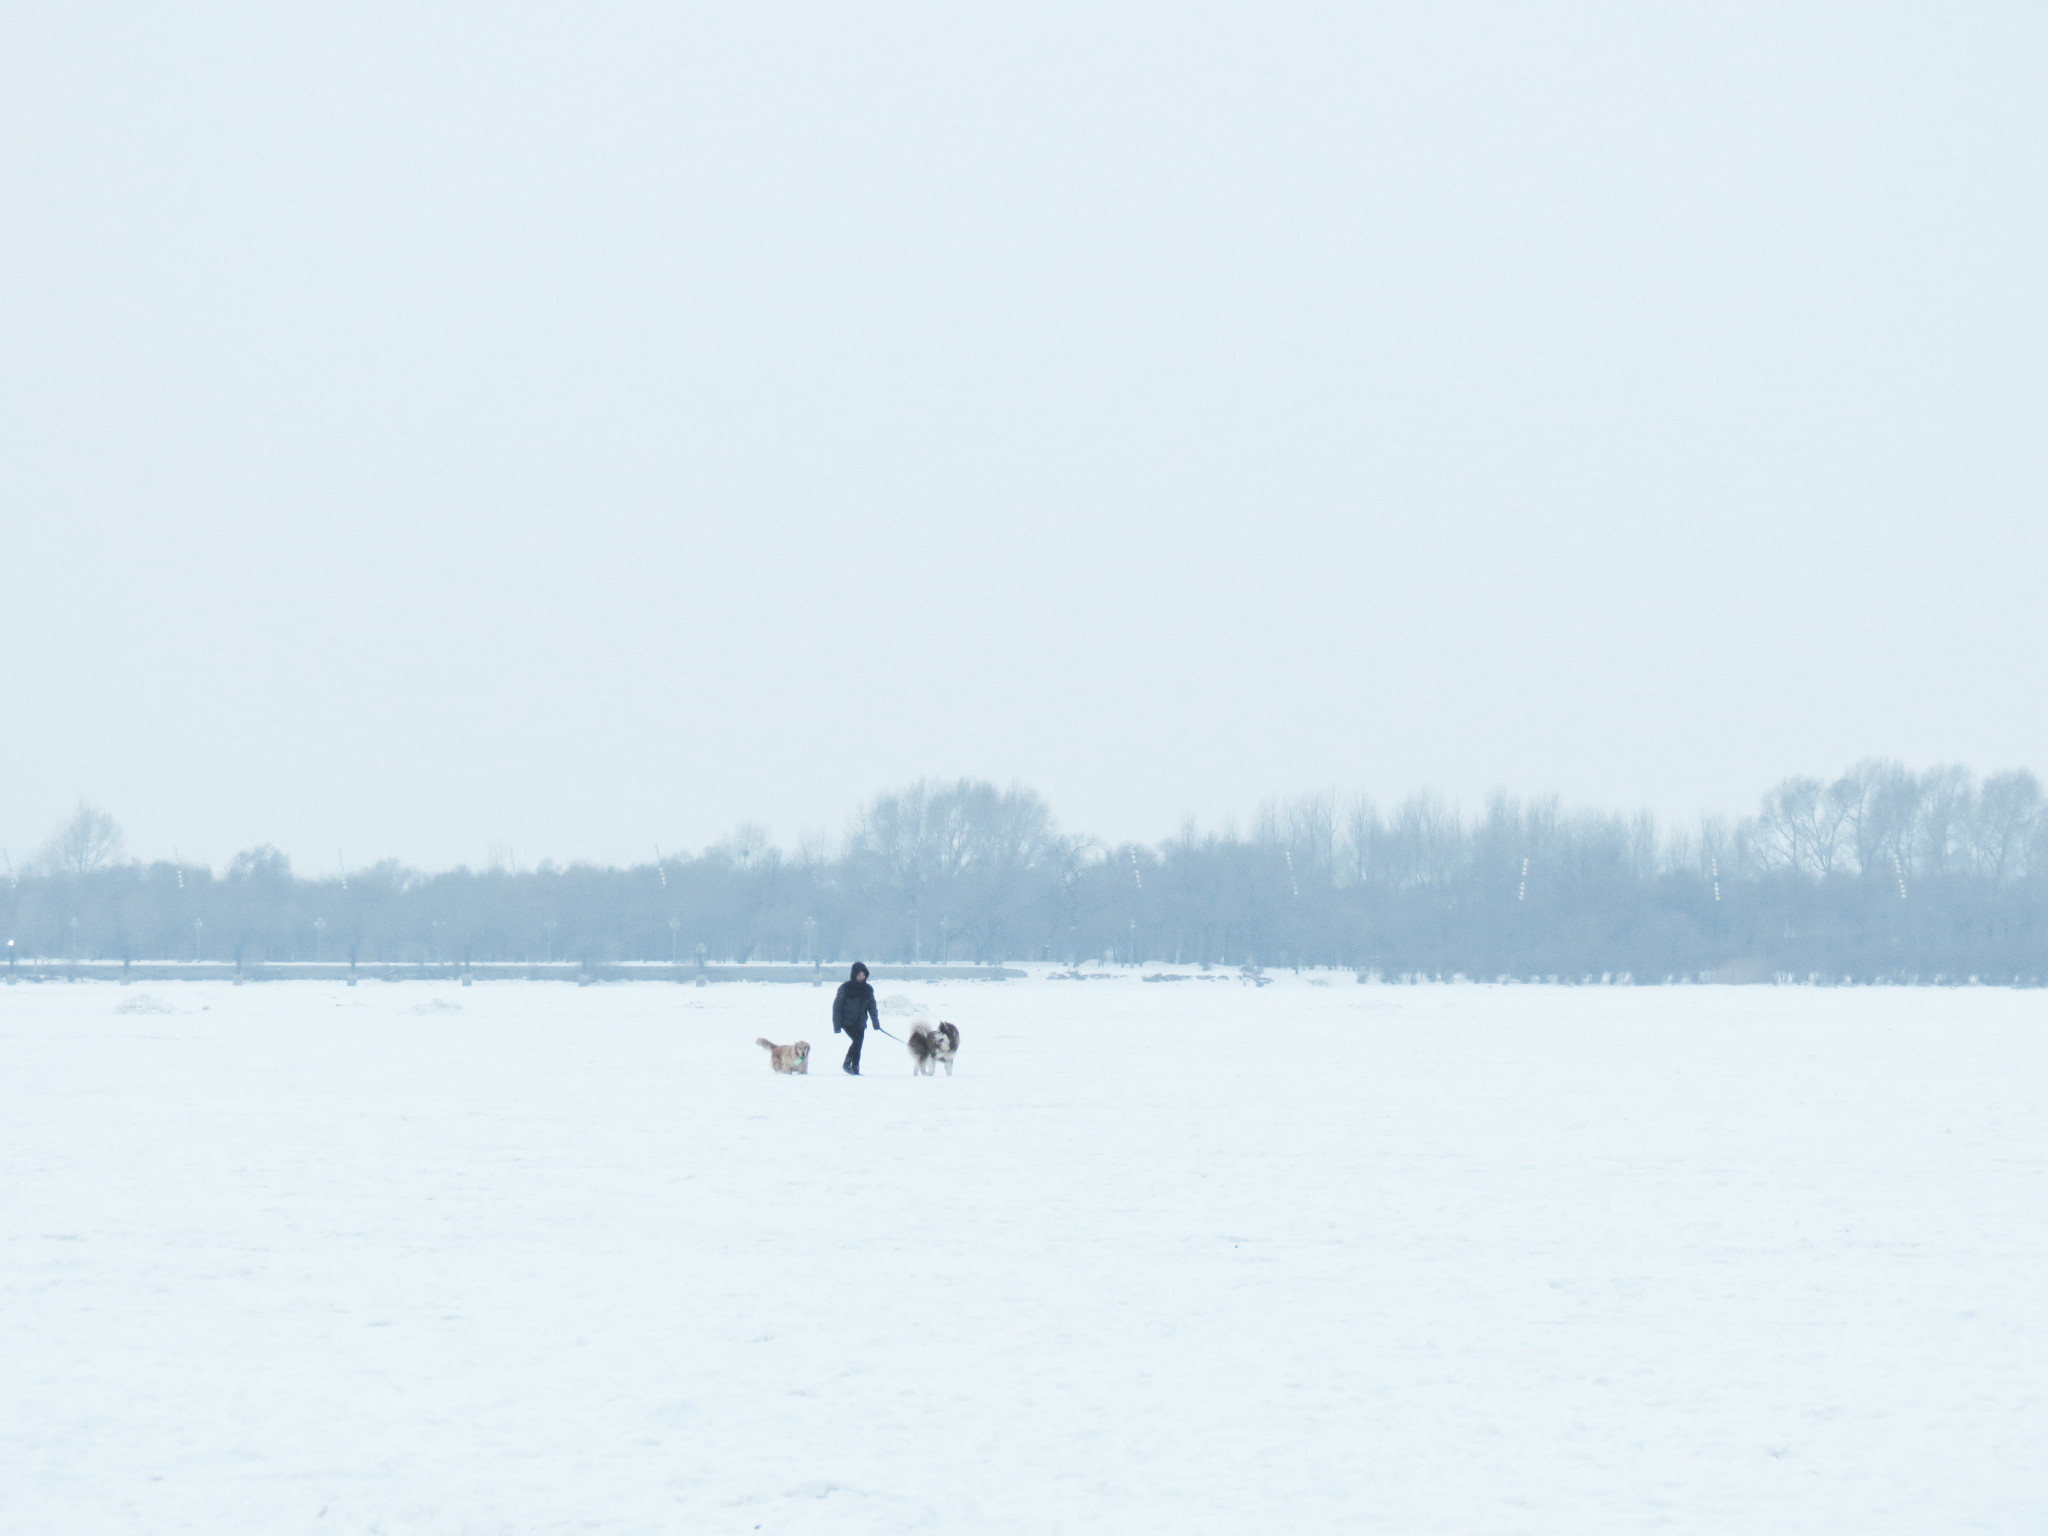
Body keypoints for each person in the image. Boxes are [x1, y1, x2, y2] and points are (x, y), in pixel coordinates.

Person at [832, 960, 879, 1075]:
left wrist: (875, 1022)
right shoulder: (845, 988)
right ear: (854, 975)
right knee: (857, 1041)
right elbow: (837, 1007)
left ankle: (855, 1068)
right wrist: (837, 1025)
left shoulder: (868, 989)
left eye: (863, 975)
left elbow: (872, 1007)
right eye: (858, 975)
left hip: (860, 1022)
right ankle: (847, 1064)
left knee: (859, 1044)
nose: (861, 977)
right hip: (847, 1022)